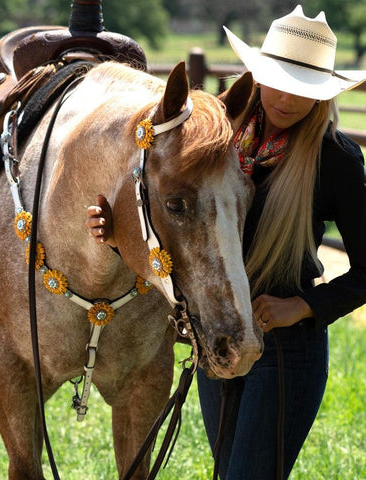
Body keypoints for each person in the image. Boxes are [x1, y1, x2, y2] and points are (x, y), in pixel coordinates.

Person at [85, 5, 366, 479]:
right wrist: (116, 238)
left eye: (303, 88)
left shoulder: (334, 159)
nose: (286, 98)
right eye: (277, 79)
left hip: (285, 348)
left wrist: (300, 306)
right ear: (257, 74)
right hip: (216, 331)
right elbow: (179, 226)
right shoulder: (214, 137)